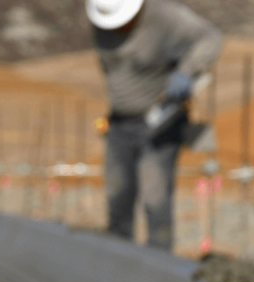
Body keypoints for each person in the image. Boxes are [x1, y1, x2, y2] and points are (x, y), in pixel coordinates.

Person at [87, 0, 222, 250]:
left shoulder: (165, 16)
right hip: (119, 124)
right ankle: (118, 259)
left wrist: (186, 72)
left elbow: (210, 38)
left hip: (160, 125)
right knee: (117, 196)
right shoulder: (100, 20)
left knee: (155, 198)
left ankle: (159, 262)